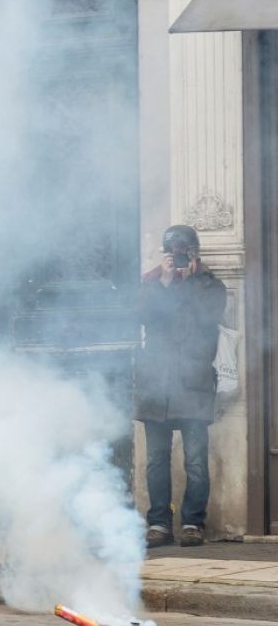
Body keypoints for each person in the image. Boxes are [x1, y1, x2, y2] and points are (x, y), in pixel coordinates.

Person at [136, 224, 227, 548]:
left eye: (183, 252)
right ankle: (159, 524)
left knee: (196, 460)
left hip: (193, 383)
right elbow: (142, 316)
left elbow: (210, 316)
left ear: (194, 253)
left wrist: (189, 284)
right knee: (157, 460)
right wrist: (163, 283)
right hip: (156, 385)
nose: (176, 258)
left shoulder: (209, 285)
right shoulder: (151, 282)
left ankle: (192, 523)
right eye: (172, 252)